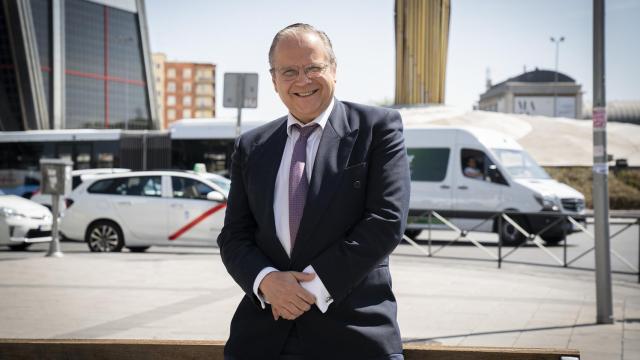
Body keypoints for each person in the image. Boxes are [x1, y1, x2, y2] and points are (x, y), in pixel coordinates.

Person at [217, 23, 410, 360]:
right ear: (274, 80)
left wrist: (308, 290)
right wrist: (266, 282)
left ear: (333, 70)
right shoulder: (251, 146)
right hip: (263, 336)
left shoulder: (378, 128)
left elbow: (385, 222)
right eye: (289, 71)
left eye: (313, 68)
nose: (302, 80)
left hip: (355, 337)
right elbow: (234, 236)